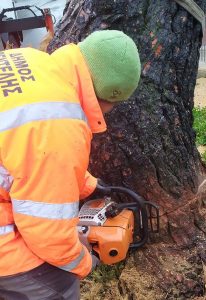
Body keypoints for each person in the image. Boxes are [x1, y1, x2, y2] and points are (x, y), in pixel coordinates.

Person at [0, 30, 141, 300]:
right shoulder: (59, 124)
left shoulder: (31, 60)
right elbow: (48, 233)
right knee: (58, 285)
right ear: (110, 98)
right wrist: (84, 261)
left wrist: (90, 186)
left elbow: (23, 159)